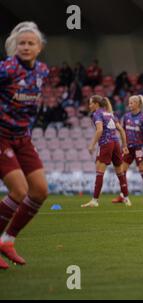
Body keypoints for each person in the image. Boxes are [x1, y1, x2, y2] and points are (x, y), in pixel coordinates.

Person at [0, 22, 49, 269]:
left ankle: (7, 240)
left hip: (23, 138)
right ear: (14, 47)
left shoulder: (42, 71)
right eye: (22, 43)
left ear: (39, 48)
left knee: (39, 190)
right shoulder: (6, 69)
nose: (26, 47)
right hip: (1, 137)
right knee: (19, 190)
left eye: (31, 43)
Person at [81, 95, 132, 208]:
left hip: (106, 144)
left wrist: (92, 145)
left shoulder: (97, 114)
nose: (89, 106)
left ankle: (95, 200)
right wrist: (124, 146)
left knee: (99, 172)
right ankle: (127, 199)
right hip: (116, 144)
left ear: (96, 104)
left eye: (90, 103)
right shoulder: (110, 114)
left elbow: (100, 130)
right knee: (120, 173)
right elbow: (122, 130)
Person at [112, 95, 143, 204]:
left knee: (142, 170)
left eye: (131, 103)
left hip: (139, 147)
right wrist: (124, 146)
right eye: (129, 103)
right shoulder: (126, 117)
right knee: (122, 171)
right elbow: (123, 132)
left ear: (137, 104)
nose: (129, 105)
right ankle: (123, 195)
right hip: (128, 148)